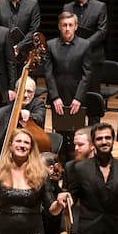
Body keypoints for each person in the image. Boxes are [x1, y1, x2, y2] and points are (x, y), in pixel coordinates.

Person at [43, 12, 95, 155]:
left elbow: (87, 74)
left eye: (70, 25)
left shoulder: (85, 45)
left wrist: (78, 98)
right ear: (59, 26)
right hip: (58, 97)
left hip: (76, 97)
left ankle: (75, 164)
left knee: (76, 135)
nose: (67, 28)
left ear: (76, 26)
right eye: (64, 25)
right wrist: (55, 97)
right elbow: (48, 73)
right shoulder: (51, 45)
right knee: (60, 135)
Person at [63, 0, 108, 114]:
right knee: (72, 96)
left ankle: (94, 126)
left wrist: (83, 45)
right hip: (72, 58)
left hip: (93, 58)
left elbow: (102, 31)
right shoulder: (67, 7)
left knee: (93, 96)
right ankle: (74, 126)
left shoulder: (100, 6)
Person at [0, 0, 41, 82]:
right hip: (3, 53)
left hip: (24, 54)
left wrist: (18, 47)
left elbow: (34, 29)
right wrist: (7, 48)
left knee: (21, 85)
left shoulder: (33, 4)